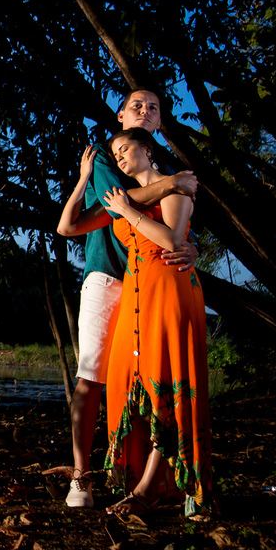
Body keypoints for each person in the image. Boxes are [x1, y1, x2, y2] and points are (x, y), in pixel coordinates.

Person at [59, 125, 214, 515]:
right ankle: (140, 480)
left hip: (170, 291)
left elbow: (172, 241)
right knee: (134, 386)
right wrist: (82, 182)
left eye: (127, 148)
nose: (122, 158)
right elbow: (67, 227)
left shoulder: (175, 188)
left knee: (168, 386)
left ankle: (149, 489)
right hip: (137, 291)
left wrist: (128, 211)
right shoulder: (122, 200)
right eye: (118, 153)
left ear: (149, 148)